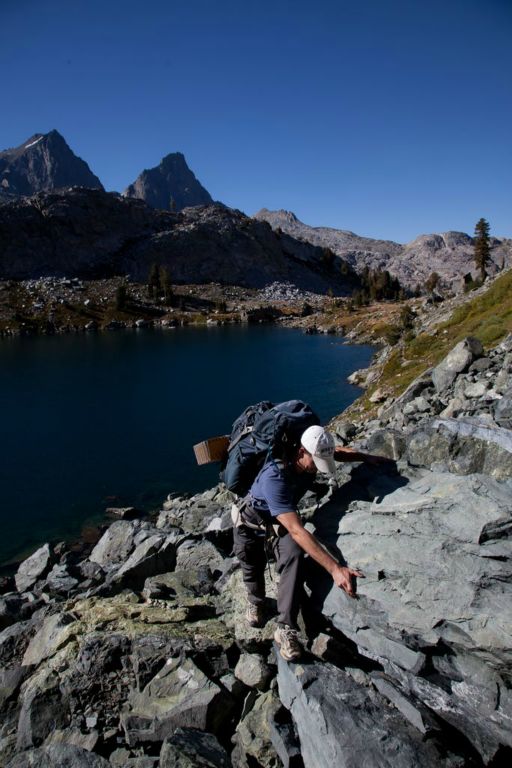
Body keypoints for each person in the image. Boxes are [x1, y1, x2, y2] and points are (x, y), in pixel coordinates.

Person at [232, 424, 386, 661]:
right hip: (249, 526)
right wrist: (335, 568)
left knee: (293, 555)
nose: (318, 468)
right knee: (252, 569)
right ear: (302, 451)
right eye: (315, 462)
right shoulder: (275, 477)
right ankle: (256, 601)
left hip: (277, 524)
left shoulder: (311, 453)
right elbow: (296, 529)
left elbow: (338, 453)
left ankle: (285, 629)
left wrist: (366, 457)